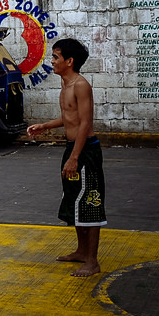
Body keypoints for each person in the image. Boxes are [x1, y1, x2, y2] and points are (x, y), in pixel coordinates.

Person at [27, 38, 104, 277]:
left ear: (69, 61)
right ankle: (82, 251)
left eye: (56, 57)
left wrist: (75, 156)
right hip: (73, 148)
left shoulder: (81, 85)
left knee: (90, 202)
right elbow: (69, 117)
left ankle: (92, 261)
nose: (52, 61)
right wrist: (45, 125)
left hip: (85, 151)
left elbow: (85, 123)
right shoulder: (65, 83)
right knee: (75, 200)